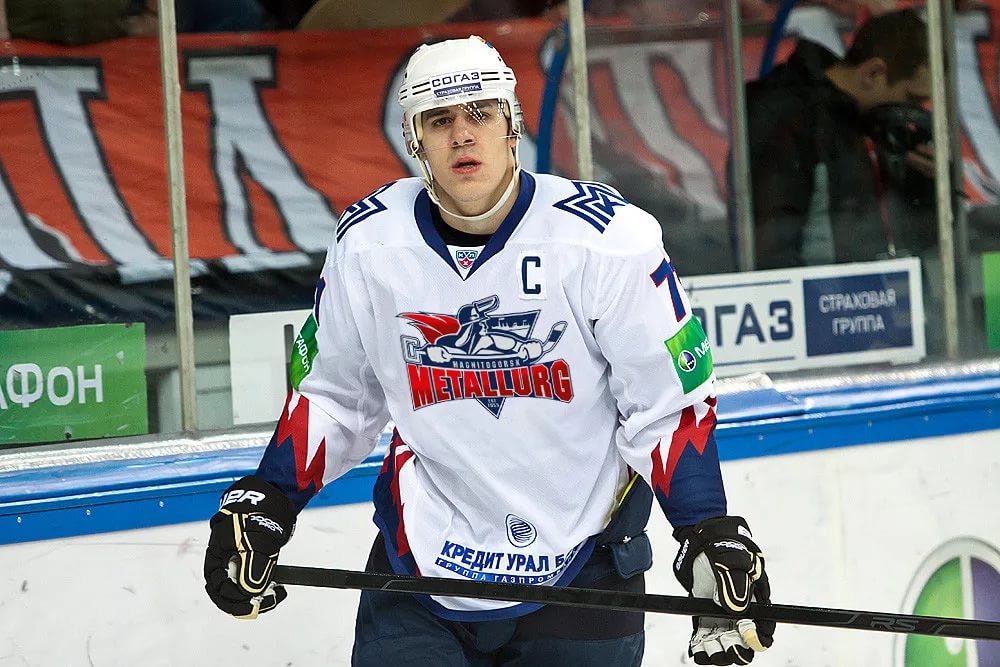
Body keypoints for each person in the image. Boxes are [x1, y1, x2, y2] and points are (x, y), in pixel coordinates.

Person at [204, 35, 774, 666]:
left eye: (480, 113)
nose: (462, 135)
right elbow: (334, 396)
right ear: (414, 140)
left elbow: (666, 403)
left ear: (512, 126)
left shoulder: (606, 239)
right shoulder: (368, 243)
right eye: (439, 120)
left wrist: (705, 528)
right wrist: (269, 498)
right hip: (420, 565)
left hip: (583, 569)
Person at [746, 8, 935, 269]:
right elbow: (773, 243)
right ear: (873, 73)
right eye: (911, 100)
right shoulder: (790, 117)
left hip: (883, 287)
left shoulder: (875, 124)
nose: (912, 114)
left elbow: (923, 237)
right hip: (826, 290)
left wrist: (926, 183)